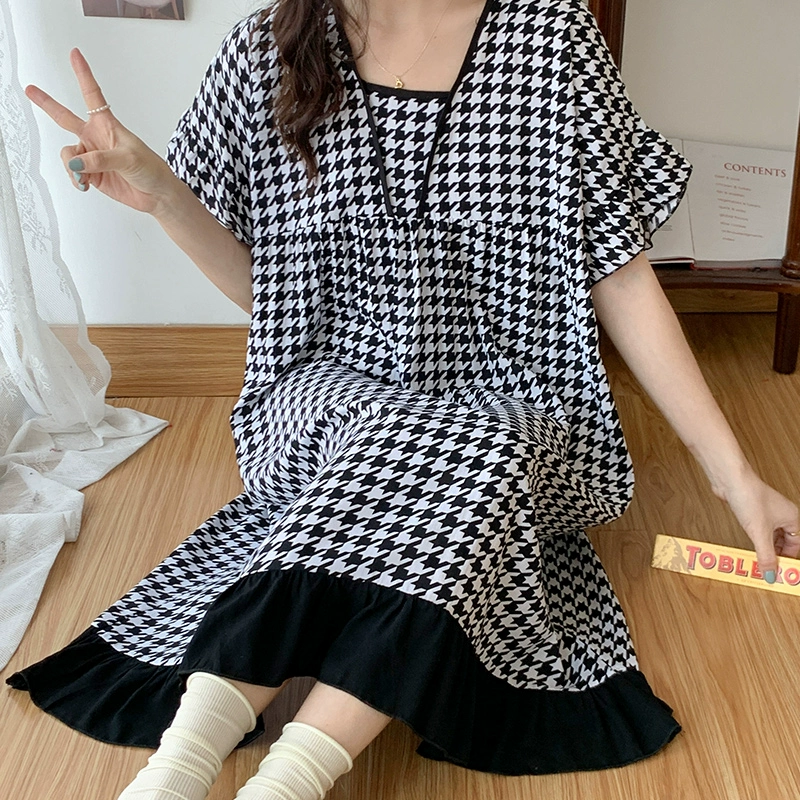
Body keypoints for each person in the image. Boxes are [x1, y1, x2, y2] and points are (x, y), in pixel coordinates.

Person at [9, 0, 800, 798]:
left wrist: (735, 477)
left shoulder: (550, 38)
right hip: (324, 392)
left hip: (504, 403)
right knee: (395, 432)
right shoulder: (265, 49)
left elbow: (620, 275)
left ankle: (281, 785)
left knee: (477, 442)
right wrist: (160, 195)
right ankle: (175, 773)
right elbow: (273, 298)